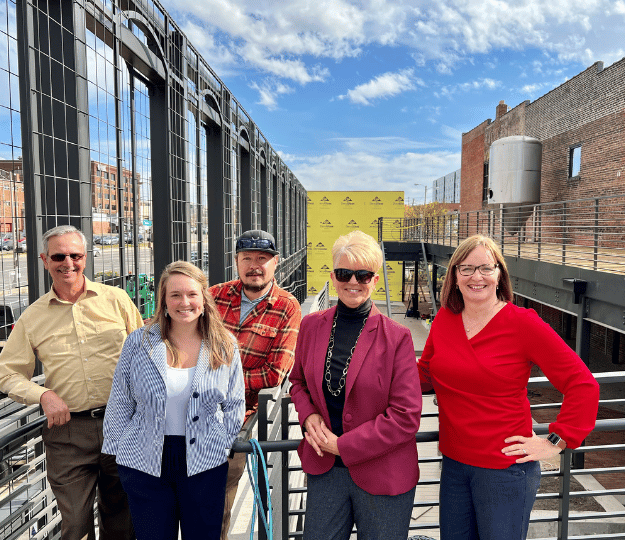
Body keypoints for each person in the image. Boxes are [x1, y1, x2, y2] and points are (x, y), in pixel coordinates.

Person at [418, 234, 600, 540]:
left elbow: (582, 383)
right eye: (466, 268)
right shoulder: (445, 320)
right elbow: (425, 373)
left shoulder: (523, 324)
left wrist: (555, 441)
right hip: (454, 465)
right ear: (454, 275)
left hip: (505, 470)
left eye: (486, 268)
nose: (476, 277)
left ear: (500, 274)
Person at [0, 225, 143, 540]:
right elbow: (7, 372)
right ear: (44, 260)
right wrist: (43, 395)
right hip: (67, 434)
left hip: (122, 425)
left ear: (85, 257)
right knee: (76, 526)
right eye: (58, 256)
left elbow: (146, 354)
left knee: (121, 521)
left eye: (75, 255)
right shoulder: (32, 317)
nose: (68, 263)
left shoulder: (117, 300)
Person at [289, 230, 422, 540]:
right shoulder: (311, 326)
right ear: (333, 277)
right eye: (344, 273)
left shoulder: (398, 337)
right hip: (326, 472)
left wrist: (342, 446)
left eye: (362, 275)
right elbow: (297, 382)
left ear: (375, 280)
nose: (353, 281)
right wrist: (309, 416)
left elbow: (406, 416)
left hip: (383, 474)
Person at [103, 261, 245, 540]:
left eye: (192, 294)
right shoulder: (139, 342)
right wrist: (120, 454)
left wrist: (222, 444)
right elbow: (120, 401)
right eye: (175, 295)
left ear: (204, 299)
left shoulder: (224, 344)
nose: (184, 302)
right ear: (164, 301)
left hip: (205, 462)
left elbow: (234, 403)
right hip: (145, 462)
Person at [210, 229, 302, 540]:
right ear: (235, 261)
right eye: (247, 258)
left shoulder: (287, 307)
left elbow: (275, 373)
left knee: (217, 501)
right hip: (191, 412)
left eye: (262, 259)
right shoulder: (213, 296)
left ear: (275, 263)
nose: (254, 265)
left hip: (239, 419)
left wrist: (215, 382)